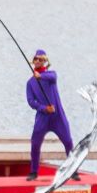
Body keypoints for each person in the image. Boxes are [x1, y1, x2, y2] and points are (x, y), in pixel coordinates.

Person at [27, 50, 74, 178]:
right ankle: (34, 171)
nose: (37, 61)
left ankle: (72, 170)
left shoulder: (51, 75)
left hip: (58, 116)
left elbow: (52, 77)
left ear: (45, 61)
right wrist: (43, 108)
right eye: (35, 59)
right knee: (35, 143)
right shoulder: (30, 83)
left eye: (40, 59)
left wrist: (40, 76)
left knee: (68, 141)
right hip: (43, 117)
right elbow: (31, 102)